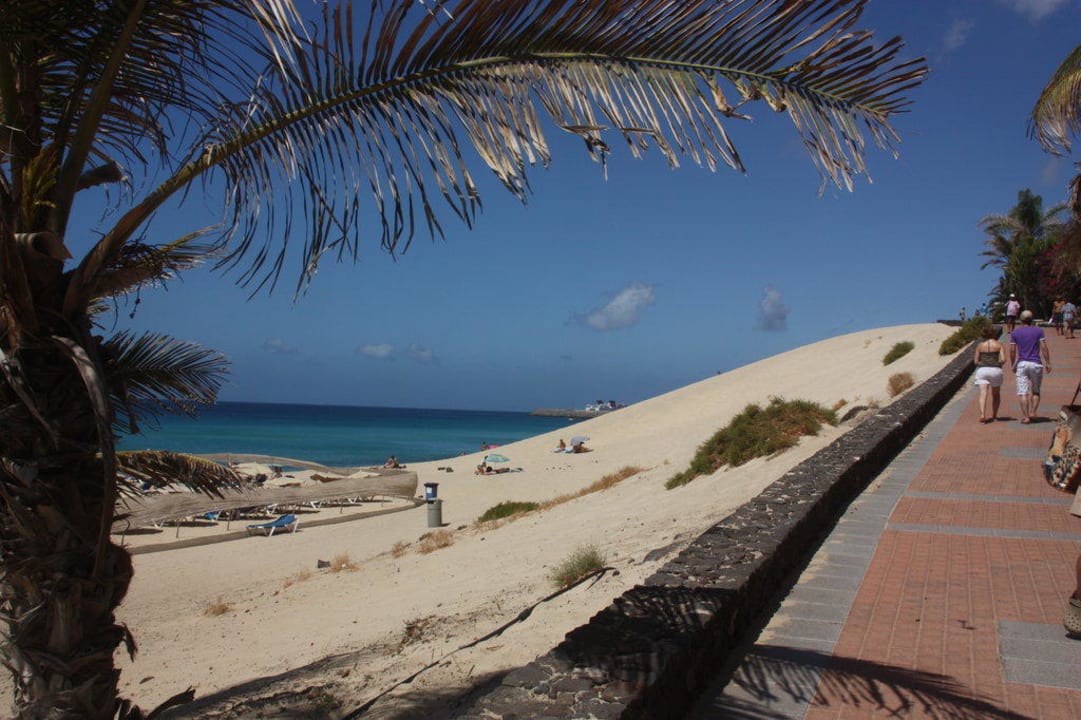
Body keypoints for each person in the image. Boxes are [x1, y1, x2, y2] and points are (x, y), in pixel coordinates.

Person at [1009, 309, 1051, 423]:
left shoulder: (1015, 333)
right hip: (1036, 363)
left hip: (1022, 364)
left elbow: (1012, 350)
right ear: (1031, 320)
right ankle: (1033, 411)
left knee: (1023, 392)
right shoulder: (1039, 331)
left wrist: (1013, 363)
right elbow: (1043, 347)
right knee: (1036, 390)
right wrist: (1048, 362)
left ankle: (1026, 417)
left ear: (1021, 320)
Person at [972, 324, 1005, 423]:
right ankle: (994, 415)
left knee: (983, 393)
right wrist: (996, 363)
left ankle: (982, 414)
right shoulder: (999, 345)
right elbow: (1003, 359)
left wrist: (984, 362)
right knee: (996, 394)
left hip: (982, 370)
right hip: (996, 370)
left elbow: (976, 361)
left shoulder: (980, 346)